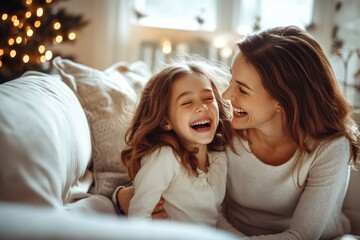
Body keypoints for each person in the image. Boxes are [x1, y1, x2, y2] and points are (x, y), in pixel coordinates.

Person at [115, 26, 360, 239]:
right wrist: (123, 197)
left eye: (242, 89)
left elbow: (301, 236)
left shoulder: (330, 148)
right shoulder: (222, 129)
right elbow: (165, 172)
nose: (226, 95)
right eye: (231, 80)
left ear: (282, 101)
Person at [116, 55, 240, 230]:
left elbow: (215, 217)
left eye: (207, 98)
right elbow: (139, 216)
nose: (202, 107)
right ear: (166, 121)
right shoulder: (165, 157)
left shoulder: (219, 158)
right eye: (187, 102)